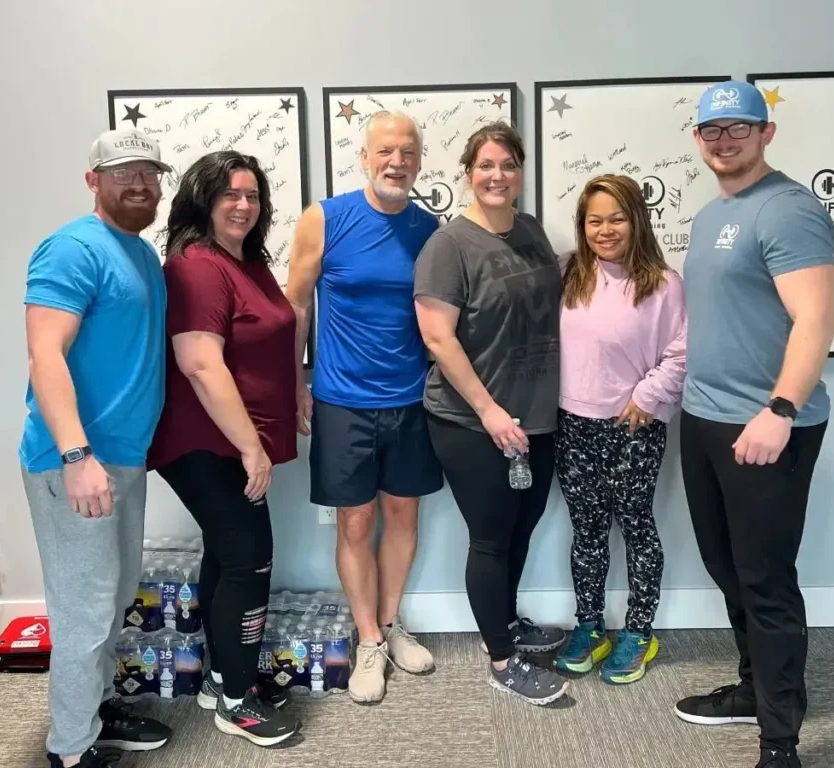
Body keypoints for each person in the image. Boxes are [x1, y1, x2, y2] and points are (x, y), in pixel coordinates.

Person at [672, 81, 834, 768]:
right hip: (705, 418)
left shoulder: (788, 209)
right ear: (699, 140)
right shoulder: (714, 214)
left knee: (765, 580)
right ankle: (754, 688)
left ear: (766, 133)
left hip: (767, 426)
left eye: (739, 127)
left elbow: (816, 318)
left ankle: (780, 742)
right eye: (712, 131)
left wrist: (779, 411)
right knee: (727, 568)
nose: (724, 140)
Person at [18, 128, 173, 768]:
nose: (138, 184)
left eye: (148, 172)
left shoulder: (138, 254)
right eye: (121, 173)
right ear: (93, 182)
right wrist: (77, 457)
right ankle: (70, 751)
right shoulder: (73, 249)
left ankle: (96, 711)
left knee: (112, 600)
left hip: (121, 460)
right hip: (76, 461)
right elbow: (44, 353)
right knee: (84, 611)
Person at [145, 150, 303, 747]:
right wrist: (251, 449)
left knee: (228, 553)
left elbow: (273, 333)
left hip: (235, 442)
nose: (243, 205)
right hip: (206, 442)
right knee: (248, 558)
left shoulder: (247, 260)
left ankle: (221, 679)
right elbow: (200, 362)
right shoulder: (195, 265)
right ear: (202, 201)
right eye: (230, 195)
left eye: (253, 195)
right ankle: (236, 702)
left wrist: (297, 392)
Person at [284, 110, 442, 704]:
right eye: (385, 152)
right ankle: (369, 638)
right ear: (364, 157)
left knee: (404, 513)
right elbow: (296, 305)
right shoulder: (325, 218)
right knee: (355, 520)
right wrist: (293, 382)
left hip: (411, 399)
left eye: (406, 152)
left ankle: (393, 621)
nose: (396, 162)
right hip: (341, 400)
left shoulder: (430, 230)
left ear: (419, 161)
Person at [413, 121, 570, 706]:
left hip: (536, 416)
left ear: (520, 172)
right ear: (468, 174)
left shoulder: (529, 230)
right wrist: (490, 413)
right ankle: (501, 662)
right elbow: (438, 338)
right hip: (470, 421)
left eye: (507, 164)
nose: (497, 175)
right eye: (485, 166)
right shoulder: (448, 245)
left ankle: (504, 622)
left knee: (522, 527)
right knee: (491, 538)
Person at [552, 174, 687, 684]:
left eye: (616, 219)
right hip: (573, 424)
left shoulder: (663, 283)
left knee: (635, 526)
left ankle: (638, 630)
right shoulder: (568, 273)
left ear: (637, 220)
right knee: (586, 530)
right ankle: (590, 625)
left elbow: (681, 350)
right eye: (594, 221)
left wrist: (647, 396)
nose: (605, 230)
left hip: (633, 426)